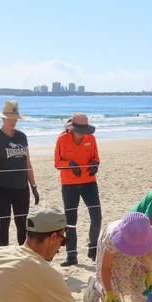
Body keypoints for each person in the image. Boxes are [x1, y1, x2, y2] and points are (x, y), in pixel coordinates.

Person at [0, 101, 39, 247]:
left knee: (22, 225)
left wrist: (33, 185)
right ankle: (3, 257)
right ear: (3, 118)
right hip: (2, 189)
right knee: (3, 225)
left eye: (15, 118)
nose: (13, 121)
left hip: (22, 188)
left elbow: (27, 163)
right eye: (10, 118)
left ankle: (23, 258)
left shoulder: (22, 137)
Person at [54, 113, 102, 267]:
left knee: (96, 216)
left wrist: (95, 164)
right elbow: (57, 163)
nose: (82, 132)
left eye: (84, 129)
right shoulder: (62, 139)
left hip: (89, 182)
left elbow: (96, 157)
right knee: (71, 221)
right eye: (79, 129)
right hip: (69, 185)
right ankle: (72, 255)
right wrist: (70, 164)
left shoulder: (91, 139)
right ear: (72, 128)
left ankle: (93, 248)